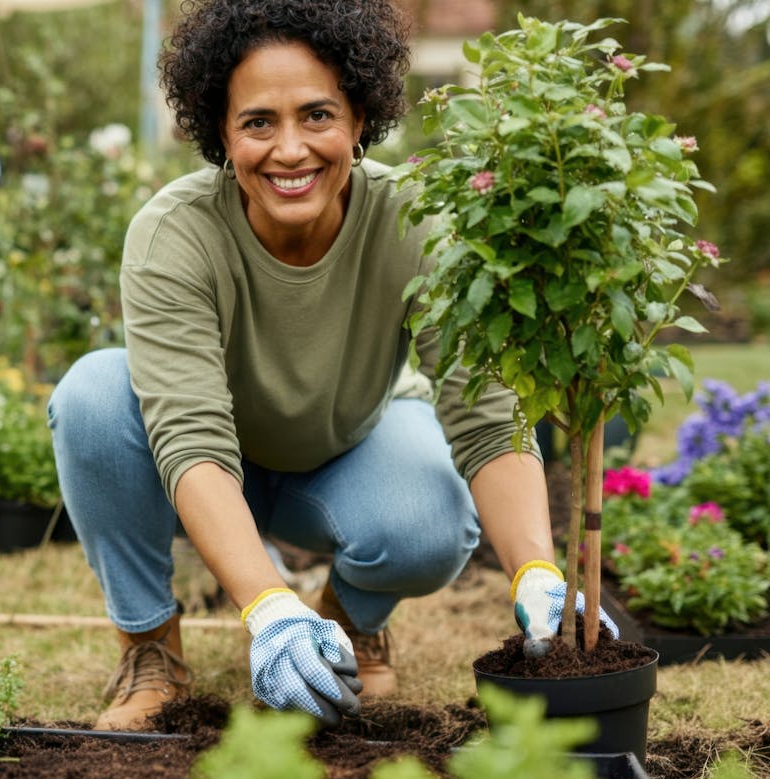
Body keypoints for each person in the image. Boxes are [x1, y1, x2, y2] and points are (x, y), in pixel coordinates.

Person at [47, 0, 618, 732]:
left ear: (360, 119)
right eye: (258, 122)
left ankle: (350, 616)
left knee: (432, 517)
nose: (290, 150)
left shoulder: (415, 218)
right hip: (211, 473)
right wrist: (268, 609)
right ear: (221, 132)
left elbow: (481, 404)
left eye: (317, 115)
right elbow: (189, 436)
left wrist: (537, 568)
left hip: (349, 450)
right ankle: (151, 647)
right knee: (92, 396)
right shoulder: (173, 235)